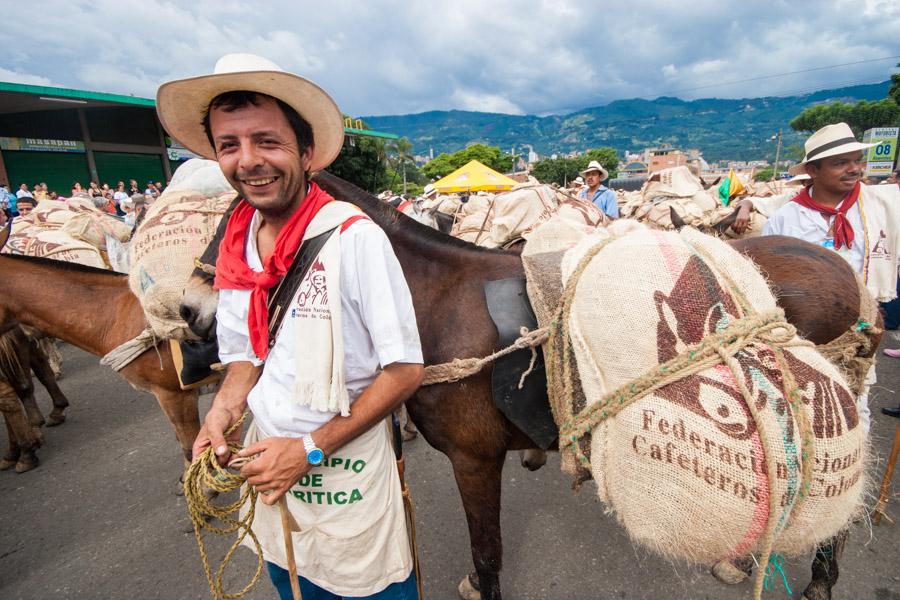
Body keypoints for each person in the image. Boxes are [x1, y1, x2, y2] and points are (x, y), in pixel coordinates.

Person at [158, 53, 423, 599]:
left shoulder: (355, 238)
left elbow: (404, 371)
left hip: (342, 473)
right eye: (229, 145)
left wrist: (308, 451)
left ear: (306, 154)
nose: (248, 160)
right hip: (268, 469)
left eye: (267, 141)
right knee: (291, 586)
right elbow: (245, 361)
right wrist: (222, 416)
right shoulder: (234, 245)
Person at [740, 122, 900, 430]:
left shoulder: (883, 205)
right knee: (800, 401)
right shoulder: (788, 215)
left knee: (856, 401)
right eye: (841, 163)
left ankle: (853, 463)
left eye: (856, 160)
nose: (853, 169)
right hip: (802, 331)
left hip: (861, 325)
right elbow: (764, 274)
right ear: (813, 170)